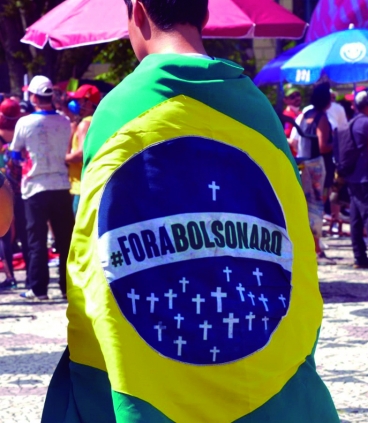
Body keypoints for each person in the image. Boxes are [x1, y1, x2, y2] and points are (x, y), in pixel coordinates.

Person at [42, 1, 338, 422]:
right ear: (205, 13)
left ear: (138, 11)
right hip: (262, 383)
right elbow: (296, 252)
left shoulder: (117, 112)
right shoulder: (257, 110)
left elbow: (91, 266)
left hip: (148, 387)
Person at [9, 76, 73, 301]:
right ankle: (68, 287)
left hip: (35, 187)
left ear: (34, 97)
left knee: (36, 240)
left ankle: (39, 289)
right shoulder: (65, 121)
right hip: (62, 184)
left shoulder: (25, 123)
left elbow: (15, 155)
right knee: (65, 240)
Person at [293, 82, 335, 264]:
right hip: (318, 166)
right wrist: (337, 144)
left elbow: (294, 141)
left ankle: (306, 246)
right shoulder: (322, 118)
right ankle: (316, 248)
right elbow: (323, 144)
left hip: (303, 163)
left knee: (304, 207)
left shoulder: (305, 115)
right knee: (317, 206)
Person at [346, 88, 368, 269]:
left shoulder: (353, 122)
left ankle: (360, 256)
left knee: (356, 219)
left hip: (353, 177)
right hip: (366, 177)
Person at [65, 84, 101, 214]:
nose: (74, 103)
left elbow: (81, 154)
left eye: (79, 100)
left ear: (89, 104)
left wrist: (62, 158)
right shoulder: (98, 120)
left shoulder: (84, 124)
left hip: (81, 188)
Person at [0, 98, 23, 288]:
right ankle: (28, 279)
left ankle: (10, 277)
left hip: (4, 187)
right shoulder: (22, 129)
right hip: (20, 189)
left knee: (4, 236)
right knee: (21, 235)